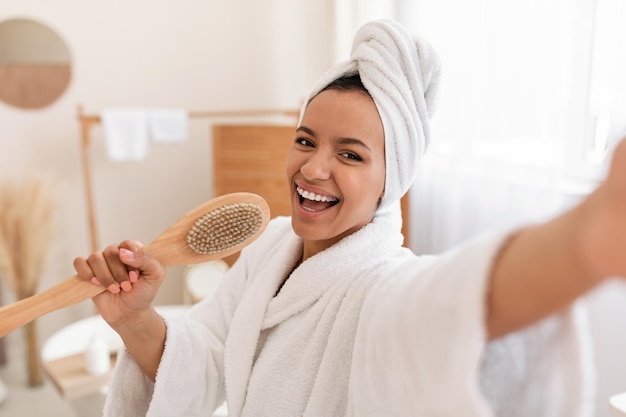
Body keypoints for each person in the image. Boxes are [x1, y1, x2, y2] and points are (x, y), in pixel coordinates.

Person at [74, 18, 624, 416]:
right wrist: (134, 319)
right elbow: (211, 355)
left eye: (350, 154)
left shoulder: (381, 289)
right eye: (306, 140)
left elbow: (451, 303)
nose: (313, 169)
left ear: (393, 179)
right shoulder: (271, 244)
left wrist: (586, 240)